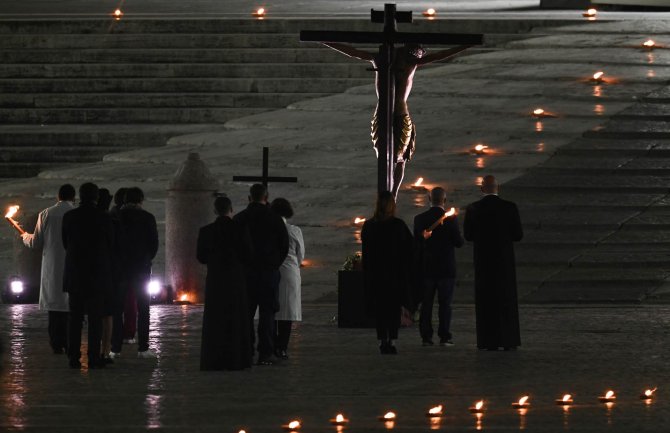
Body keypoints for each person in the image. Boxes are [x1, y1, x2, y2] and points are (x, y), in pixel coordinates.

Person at [322, 42, 471, 198]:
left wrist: (326, 41)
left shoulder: (380, 58)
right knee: (400, 159)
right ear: (414, 52)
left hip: (384, 112)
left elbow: (353, 52)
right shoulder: (410, 61)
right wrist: (465, 46)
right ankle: (392, 194)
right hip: (399, 112)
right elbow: (441, 55)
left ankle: (389, 194)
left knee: (388, 157)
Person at [464, 175, 523, 351]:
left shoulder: (474, 208)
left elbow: (468, 236)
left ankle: (488, 340)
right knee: (506, 301)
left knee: (486, 302)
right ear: (498, 188)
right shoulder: (510, 207)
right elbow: (518, 235)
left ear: (482, 189)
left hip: (483, 263)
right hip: (504, 262)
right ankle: (508, 339)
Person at [234, 184, 289, 365]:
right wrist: (274, 265)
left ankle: (245, 350)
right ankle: (266, 352)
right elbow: (283, 247)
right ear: (267, 197)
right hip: (268, 273)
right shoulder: (275, 219)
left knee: (246, 313)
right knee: (267, 313)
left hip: (246, 273)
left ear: (249, 198)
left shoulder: (240, 218)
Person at [197, 196, 253, 370]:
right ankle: (237, 359)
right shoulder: (240, 228)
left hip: (215, 280)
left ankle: (214, 359)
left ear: (215, 210)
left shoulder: (206, 231)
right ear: (231, 209)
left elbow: (201, 257)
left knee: (215, 320)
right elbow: (248, 255)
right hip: (235, 280)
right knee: (236, 319)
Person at [62, 182, 114, 369]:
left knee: (74, 318)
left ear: (80, 196)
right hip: (97, 275)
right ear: (96, 197)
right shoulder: (104, 218)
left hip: (75, 274)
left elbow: (66, 243)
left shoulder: (69, 217)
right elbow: (111, 245)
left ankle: (73, 357)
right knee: (95, 319)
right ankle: (93, 357)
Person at [21, 184, 76, 354]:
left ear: (57, 197)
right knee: (70, 307)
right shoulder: (75, 214)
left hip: (53, 266)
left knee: (54, 309)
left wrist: (25, 236)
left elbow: (35, 242)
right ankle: (69, 341)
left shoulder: (46, 213)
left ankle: (56, 343)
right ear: (74, 197)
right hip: (72, 264)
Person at [361, 191, 413, 354]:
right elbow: (409, 250)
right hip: (395, 275)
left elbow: (366, 252)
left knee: (380, 309)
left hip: (376, 274)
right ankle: (392, 339)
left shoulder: (369, 225)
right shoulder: (398, 225)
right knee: (393, 308)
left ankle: (383, 338)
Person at [413, 187, 464, 347]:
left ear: (429, 199)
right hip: (446, 268)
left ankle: (426, 337)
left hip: (427, 268)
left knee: (426, 304)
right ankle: (444, 336)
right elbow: (459, 242)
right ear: (444, 200)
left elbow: (416, 242)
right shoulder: (451, 220)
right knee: (445, 304)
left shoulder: (419, 219)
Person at [116, 187, 159, 358]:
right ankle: (143, 347)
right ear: (141, 200)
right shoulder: (147, 218)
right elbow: (153, 245)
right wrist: (146, 259)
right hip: (141, 268)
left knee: (118, 307)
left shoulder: (117, 217)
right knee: (143, 308)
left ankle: (116, 347)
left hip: (120, 269)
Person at [270, 198, 304, 360]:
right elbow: (300, 254)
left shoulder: (268, 230)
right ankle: (282, 347)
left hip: (272, 270)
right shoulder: (294, 230)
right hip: (290, 272)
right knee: (287, 313)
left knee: (271, 310)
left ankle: (271, 344)